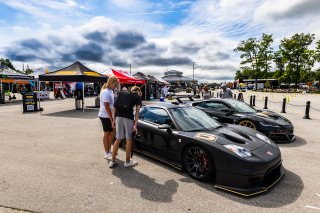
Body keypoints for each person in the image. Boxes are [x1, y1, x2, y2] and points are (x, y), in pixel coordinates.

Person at [109, 86, 142, 168]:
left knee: (118, 139)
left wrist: (113, 120)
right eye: (140, 92)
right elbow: (137, 112)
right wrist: (135, 125)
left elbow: (114, 107)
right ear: (138, 91)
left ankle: (112, 161)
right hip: (128, 119)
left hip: (118, 118)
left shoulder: (121, 93)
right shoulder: (137, 97)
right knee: (128, 139)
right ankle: (127, 162)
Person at [98, 76, 119, 160]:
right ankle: (107, 152)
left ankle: (109, 150)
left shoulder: (110, 90)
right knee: (107, 133)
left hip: (109, 115)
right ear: (111, 83)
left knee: (112, 132)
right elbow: (106, 107)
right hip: (105, 115)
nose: (116, 86)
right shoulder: (105, 92)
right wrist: (111, 118)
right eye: (115, 84)